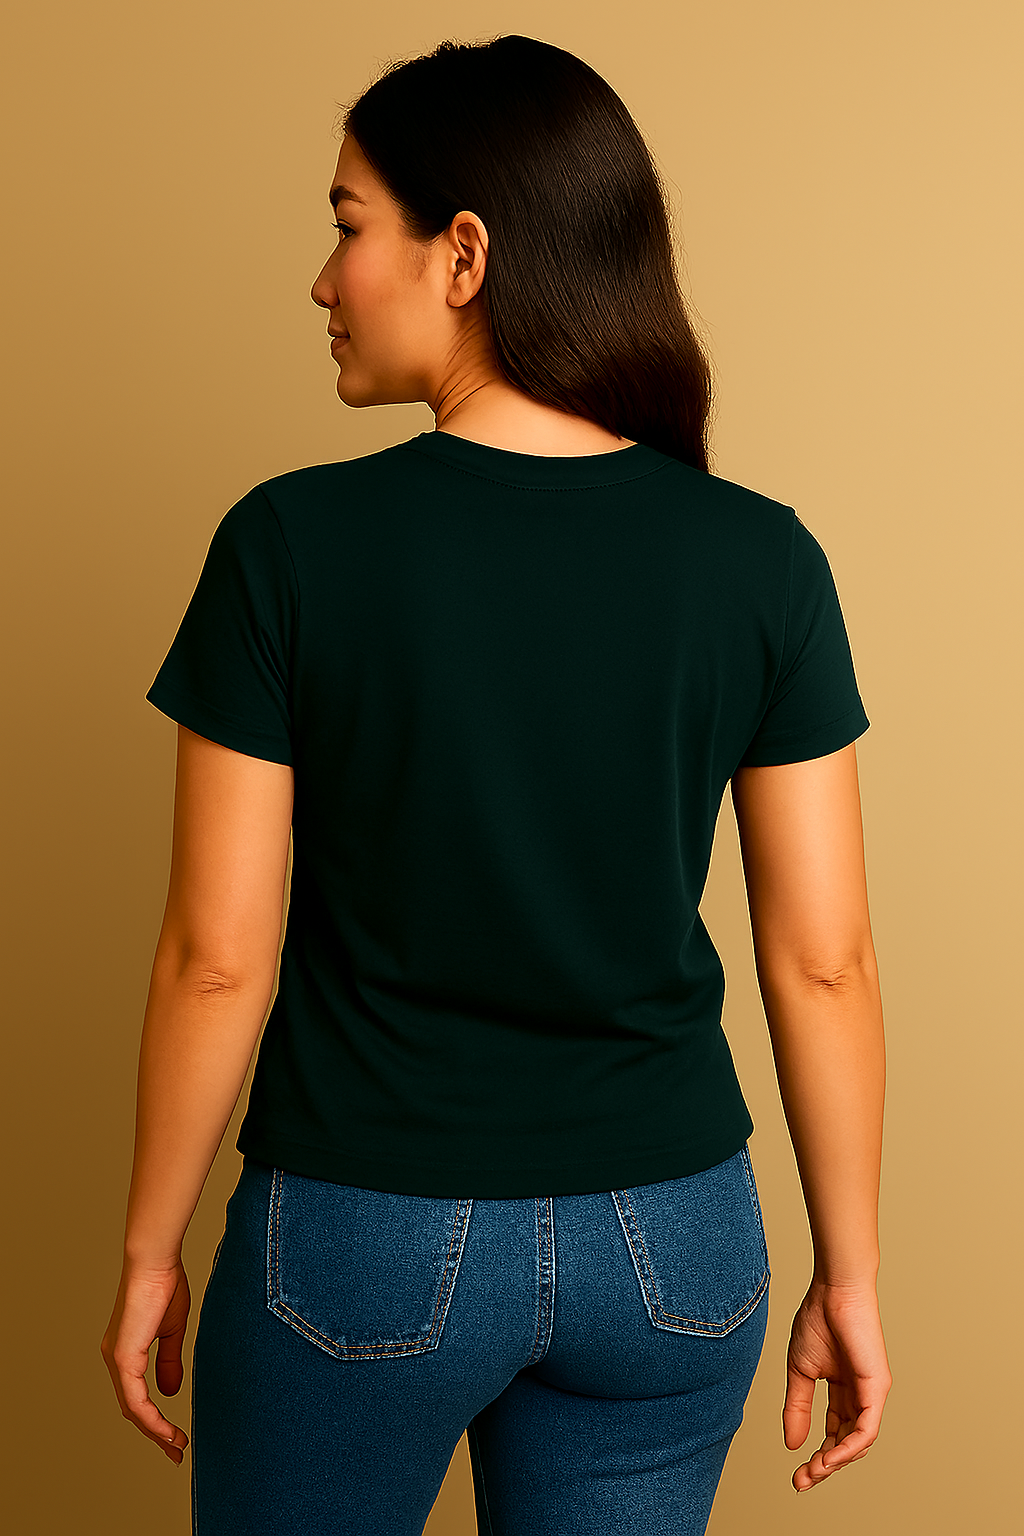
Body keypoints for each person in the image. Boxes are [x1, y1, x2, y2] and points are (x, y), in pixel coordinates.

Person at [100, 33, 891, 1536]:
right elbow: (825, 959)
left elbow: (218, 959)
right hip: (677, 1248)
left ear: (463, 253)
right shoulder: (761, 560)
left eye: (347, 224)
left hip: (362, 1232)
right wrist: (848, 1274)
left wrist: (150, 1247)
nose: (323, 280)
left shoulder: (290, 548)